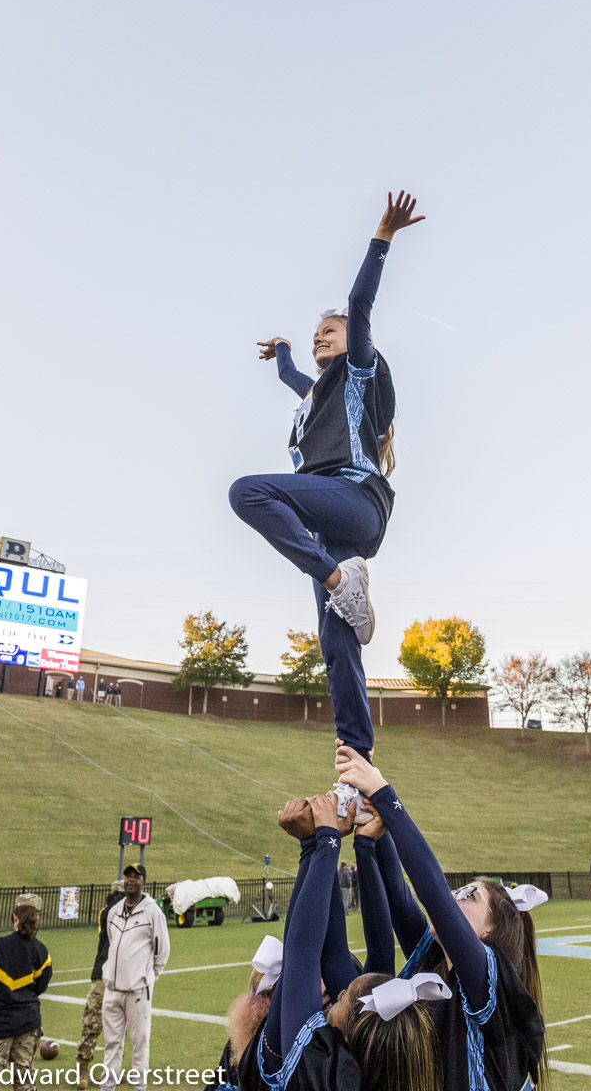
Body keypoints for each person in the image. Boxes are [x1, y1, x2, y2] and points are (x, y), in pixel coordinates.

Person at [229, 192, 424, 771]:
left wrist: (382, 238)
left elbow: (359, 306)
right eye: (319, 334)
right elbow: (293, 375)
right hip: (330, 523)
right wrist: (286, 348)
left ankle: (340, 577)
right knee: (336, 639)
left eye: (329, 332)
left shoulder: (358, 368)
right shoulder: (315, 393)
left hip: (355, 497)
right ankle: (355, 760)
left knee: (247, 491)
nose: (324, 338)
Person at [335, 745, 548, 1091]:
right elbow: (399, 896)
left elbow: (432, 891)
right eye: (459, 891)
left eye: (469, 896)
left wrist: (383, 792)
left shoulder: (487, 979)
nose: (454, 898)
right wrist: (372, 824)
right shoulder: (436, 963)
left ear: (491, 929)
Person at [236, 791, 445, 1091]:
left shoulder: (312, 1070)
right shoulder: (361, 1063)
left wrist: (322, 844)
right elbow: (360, 953)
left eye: (345, 996)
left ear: (349, 1033)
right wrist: (360, 844)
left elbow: (303, 955)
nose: (340, 989)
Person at [0, 893, 53, 1091]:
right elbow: (40, 987)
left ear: (14, 917)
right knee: (25, 1084)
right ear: (37, 919)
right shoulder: (41, 951)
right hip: (28, 1023)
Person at [100, 862, 170, 1091]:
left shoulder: (152, 912)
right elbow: (112, 943)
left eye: (136, 876)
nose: (131, 879)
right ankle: (107, 1087)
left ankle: (139, 1087)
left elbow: (162, 950)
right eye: (128, 876)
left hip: (138, 991)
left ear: (143, 881)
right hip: (112, 989)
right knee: (111, 1044)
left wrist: (148, 976)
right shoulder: (114, 911)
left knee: (139, 1043)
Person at [76, 880, 126, 1088]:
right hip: (106, 977)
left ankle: (106, 1071)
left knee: (116, 1028)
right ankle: (82, 1071)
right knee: (94, 1024)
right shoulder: (108, 913)